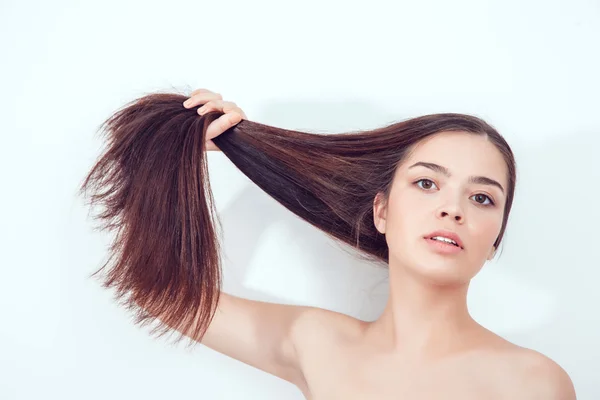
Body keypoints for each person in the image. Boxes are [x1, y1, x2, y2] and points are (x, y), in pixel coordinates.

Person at [81, 88, 576, 400]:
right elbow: (161, 292)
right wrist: (186, 153)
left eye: (483, 198)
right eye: (427, 183)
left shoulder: (533, 383)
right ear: (382, 211)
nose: (454, 208)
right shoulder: (318, 345)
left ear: (494, 240)